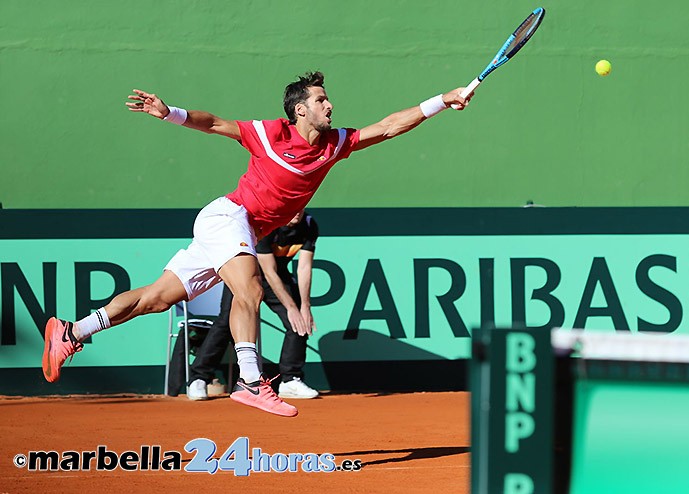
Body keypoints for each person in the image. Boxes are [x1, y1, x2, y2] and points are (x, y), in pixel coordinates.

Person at [41, 71, 473, 417]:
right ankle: (250, 380)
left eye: (328, 100)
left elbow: (389, 126)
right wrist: (168, 111)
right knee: (249, 290)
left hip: (235, 230)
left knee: (153, 299)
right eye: (321, 101)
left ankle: (72, 331)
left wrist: (441, 101)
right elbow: (213, 123)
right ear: (300, 110)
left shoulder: (336, 144)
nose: (331, 105)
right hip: (229, 217)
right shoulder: (269, 134)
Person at [187, 209, 320, 401]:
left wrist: (304, 306)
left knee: (299, 322)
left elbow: (305, 267)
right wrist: (291, 307)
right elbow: (268, 270)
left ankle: (290, 380)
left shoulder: (309, 224)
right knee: (225, 323)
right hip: (245, 274)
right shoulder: (268, 223)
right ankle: (198, 379)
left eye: (302, 207)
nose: (297, 211)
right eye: (295, 207)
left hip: (278, 277)